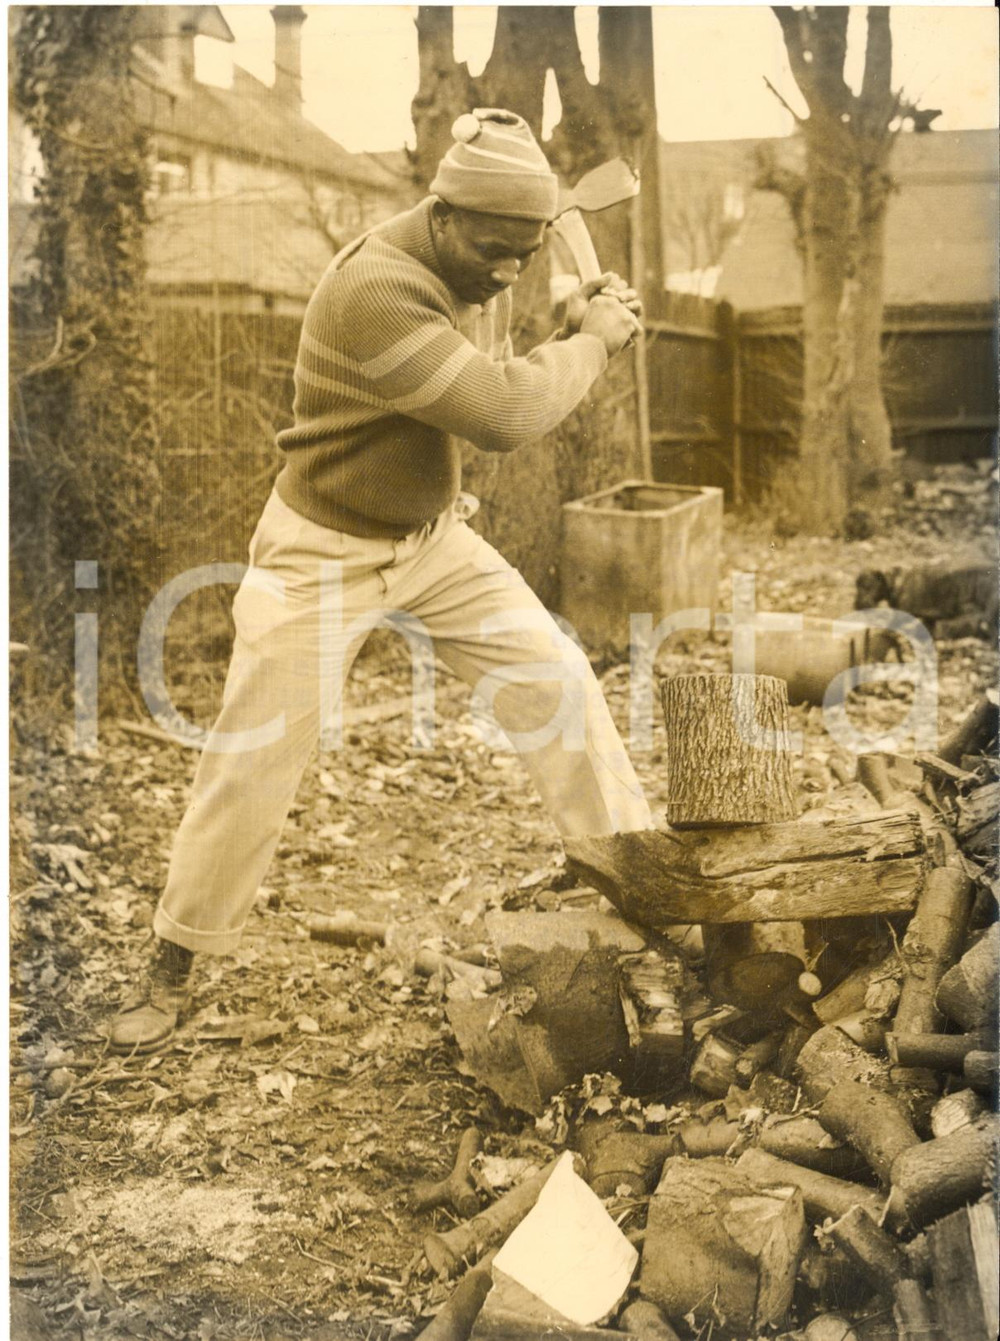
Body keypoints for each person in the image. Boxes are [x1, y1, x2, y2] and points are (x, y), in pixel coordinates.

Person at [110, 108, 653, 1052]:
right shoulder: (375, 289)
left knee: (558, 682)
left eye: (526, 253)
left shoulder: (459, 257)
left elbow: (486, 360)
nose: (506, 272)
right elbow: (499, 410)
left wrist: (564, 323)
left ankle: (638, 885)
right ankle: (178, 957)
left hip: (432, 541)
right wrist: (595, 341)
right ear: (440, 214)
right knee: (252, 755)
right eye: (494, 250)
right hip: (321, 549)